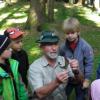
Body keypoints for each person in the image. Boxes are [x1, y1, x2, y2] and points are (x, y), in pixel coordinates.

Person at [28, 30, 79, 100]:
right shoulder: (35, 67)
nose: (54, 48)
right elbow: (39, 94)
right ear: (41, 47)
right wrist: (56, 82)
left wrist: (76, 71)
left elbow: (78, 81)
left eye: (55, 44)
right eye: (49, 44)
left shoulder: (65, 61)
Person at [59, 17, 94, 100]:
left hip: (80, 79)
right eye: (67, 33)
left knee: (80, 97)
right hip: (68, 79)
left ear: (78, 32)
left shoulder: (85, 47)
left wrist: (87, 79)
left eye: (72, 33)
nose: (70, 35)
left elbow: (89, 63)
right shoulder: (63, 47)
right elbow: (60, 59)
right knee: (63, 96)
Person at [0, 35, 28, 100]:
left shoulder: (13, 64)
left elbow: (21, 85)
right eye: (7, 49)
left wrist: (24, 97)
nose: (11, 50)